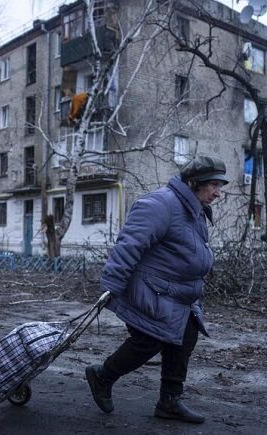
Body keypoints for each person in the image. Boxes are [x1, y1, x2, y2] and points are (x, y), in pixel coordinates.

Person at [85, 155, 228, 424]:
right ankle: (102, 376)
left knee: (186, 335)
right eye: (214, 186)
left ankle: (169, 401)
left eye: (220, 186)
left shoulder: (193, 208)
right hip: (150, 290)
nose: (218, 193)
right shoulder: (161, 204)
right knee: (149, 340)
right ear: (195, 182)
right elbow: (129, 245)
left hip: (176, 294)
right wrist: (112, 286)